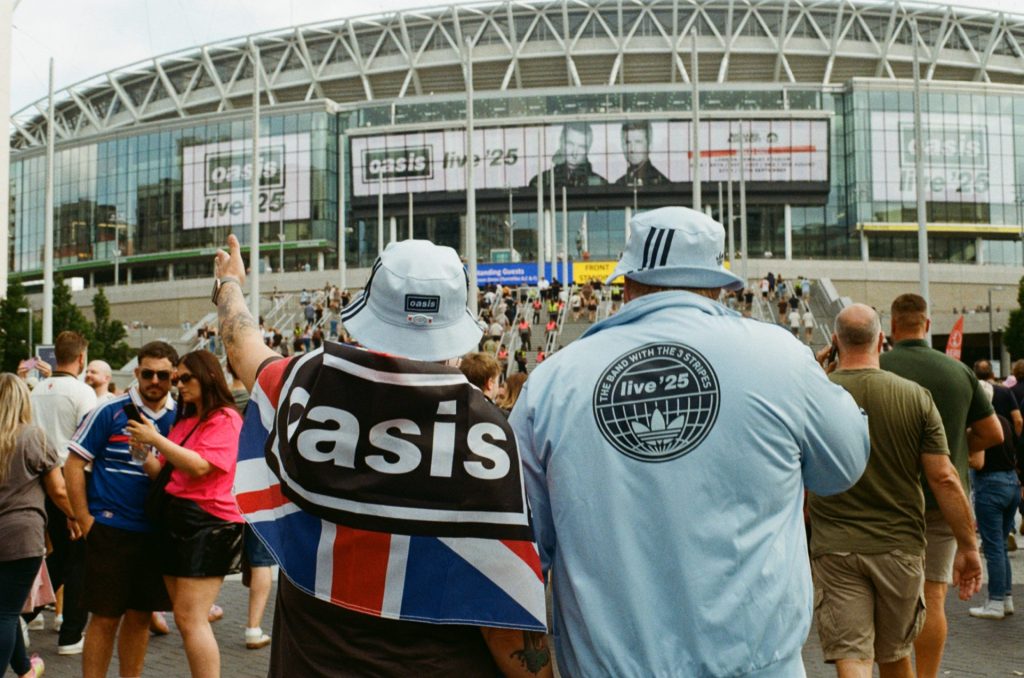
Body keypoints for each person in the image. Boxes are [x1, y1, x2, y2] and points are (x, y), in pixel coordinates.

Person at [509, 206, 869, 676]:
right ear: (718, 283)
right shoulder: (781, 358)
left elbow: (523, 546)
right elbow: (843, 467)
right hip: (755, 664)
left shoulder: (553, 380)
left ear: (627, 280)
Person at [213, 235, 551, 676]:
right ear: (456, 334)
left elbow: (241, 343)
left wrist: (229, 284)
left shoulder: (308, 384)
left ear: (364, 323)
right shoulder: (484, 436)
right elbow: (504, 621)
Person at [809, 305, 982, 677]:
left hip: (835, 546)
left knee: (852, 657)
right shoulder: (915, 397)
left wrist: (818, 372)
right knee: (894, 653)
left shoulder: (816, 395)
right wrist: (968, 546)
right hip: (898, 546)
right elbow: (944, 478)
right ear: (881, 340)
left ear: (835, 342)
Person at [879, 293, 1004, 678]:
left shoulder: (878, 367)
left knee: (893, 601)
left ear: (893, 326)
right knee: (933, 596)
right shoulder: (958, 371)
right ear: (927, 325)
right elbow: (993, 433)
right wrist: (962, 448)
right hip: (943, 503)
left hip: (889, 502)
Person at [127, 350, 244, 678]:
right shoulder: (187, 420)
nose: (178, 385)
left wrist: (156, 439)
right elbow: (164, 473)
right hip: (175, 518)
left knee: (192, 618)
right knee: (184, 617)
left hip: (208, 523)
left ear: (207, 376)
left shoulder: (225, 418)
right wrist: (142, 452)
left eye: (183, 378)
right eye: (176, 379)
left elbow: (199, 466)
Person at [65, 341, 179, 678]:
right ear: (137, 373)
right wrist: (85, 519)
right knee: (104, 617)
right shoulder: (110, 411)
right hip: (110, 529)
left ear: (173, 375)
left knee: (141, 616)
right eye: (147, 373)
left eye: (162, 374)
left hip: (155, 532)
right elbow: (73, 464)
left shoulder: (182, 416)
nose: (154, 381)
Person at [0, 373, 81, 678]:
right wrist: (75, 516)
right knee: (7, 612)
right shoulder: (33, 436)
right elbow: (58, 489)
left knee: (5, 608)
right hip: (23, 536)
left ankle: (24, 670)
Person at [30, 330, 96, 655]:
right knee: (79, 559)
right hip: (72, 484)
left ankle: (23, 613)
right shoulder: (82, 393)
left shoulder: (35, 391)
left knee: (59, 556)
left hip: (38, 484)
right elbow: (89, 445)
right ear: (81, 358)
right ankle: (71, 634)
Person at [965, 384, 1019, 619]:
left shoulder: (977, 427)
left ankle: (995, 601)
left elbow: (978, 462)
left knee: (993, 546)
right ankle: (1005, 598)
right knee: (1001, 546)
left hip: (990, 485)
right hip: (1011, 483)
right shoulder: (1004, 421)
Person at [529, 122, 606, 188]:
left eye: (582, 147)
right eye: (570, 144)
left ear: (588, 150)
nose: (574, 153)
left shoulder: (600, 184)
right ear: (561, 142)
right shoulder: (542, 181)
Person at [614, 121, 668, 187]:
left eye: (638, 142)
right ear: (622, 146)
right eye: (628, 142)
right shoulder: (619, 184)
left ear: (649, 145)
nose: (632, 149)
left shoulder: (663, 185)